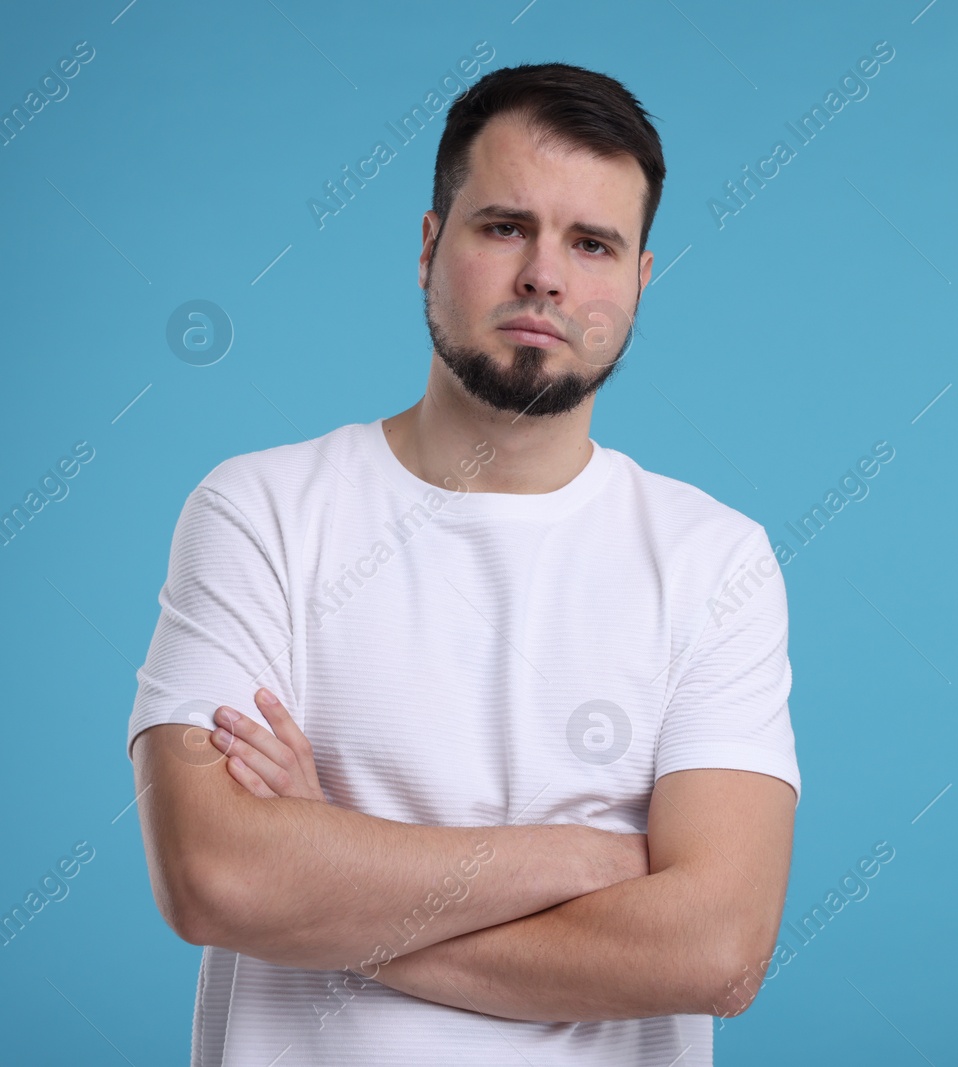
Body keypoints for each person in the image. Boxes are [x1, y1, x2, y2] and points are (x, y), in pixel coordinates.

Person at [127, 61, 800, 1067]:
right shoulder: (259, 511)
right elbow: (216, 877)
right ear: (430, 245)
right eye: (503, 227)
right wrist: (587, 860)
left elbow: (716, 949)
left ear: (637, 279)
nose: (546, 275)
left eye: (592, 243)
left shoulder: (715, 560)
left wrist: (330, 874)